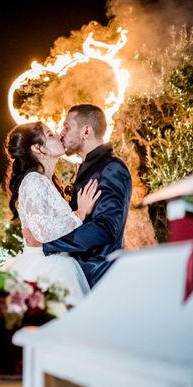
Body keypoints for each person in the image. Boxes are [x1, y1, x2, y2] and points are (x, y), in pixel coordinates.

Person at [0, 121, 101, 304]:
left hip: (59, 262)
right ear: (38, 148)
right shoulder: (33, 181)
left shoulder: (48, 181)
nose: (59, 135)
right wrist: (80, 213)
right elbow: (43, 231)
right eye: (50, 135)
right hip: (45, 268)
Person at [41, 104, 132, 289]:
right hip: (80, 275)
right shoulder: (90, 166)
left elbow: (105, 228)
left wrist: (52, 242)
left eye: (66, 127)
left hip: (97, 277)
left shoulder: (111, 167)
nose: (61, 133)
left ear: (86, 131)